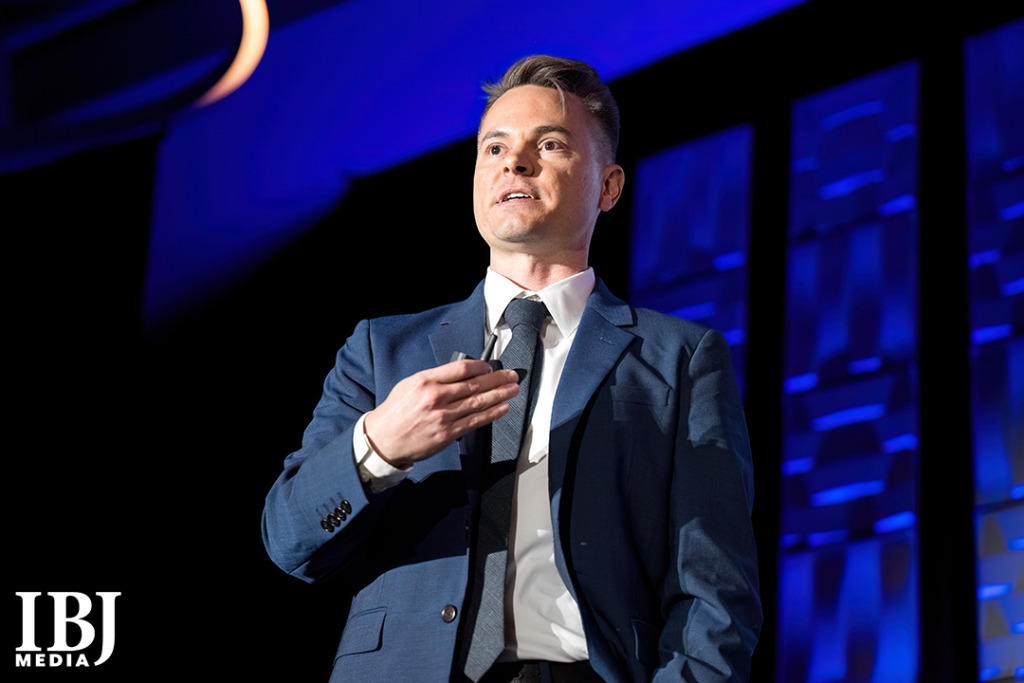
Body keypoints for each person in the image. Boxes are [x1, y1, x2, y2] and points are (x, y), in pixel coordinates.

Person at [262, 55, 761, 683]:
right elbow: (290, 540)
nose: (514, 163)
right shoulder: (381, 350)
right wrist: (379, 446)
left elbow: (715, 589)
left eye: (549, 145)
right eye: (494, 148)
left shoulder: (680, 358)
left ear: (608, 187)